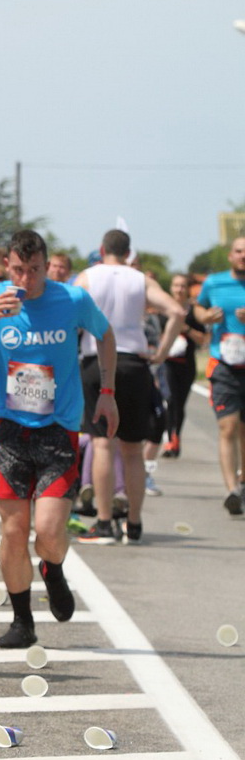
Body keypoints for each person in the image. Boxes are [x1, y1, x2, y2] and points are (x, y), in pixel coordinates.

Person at [0, 229, 118, 648]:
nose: (26, 280)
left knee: (47, 530)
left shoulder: (72, 299)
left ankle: (53, 568)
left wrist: (107, 394)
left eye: (35, 271)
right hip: (8, 430)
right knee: (14, 531)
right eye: (18, 270)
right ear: (7, 266)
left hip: (58, 430)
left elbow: (106, 335)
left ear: (48, 266)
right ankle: (22, 621)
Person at [74, 229, 183, 545]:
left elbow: (69, 313)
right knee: (133, 449)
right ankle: (134, 522)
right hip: (134, 362)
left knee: (102, 443)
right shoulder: (140, 279)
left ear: (101, 249)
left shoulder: (88, 277)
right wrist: (161, 352)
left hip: (96, 360)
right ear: (128, 253)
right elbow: (176, 311)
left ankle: (104, 520)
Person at [193, 236, 245, 515]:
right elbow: (198, 307)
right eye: (239, 251)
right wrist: (204, 317)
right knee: (228, 427)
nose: (243, 256)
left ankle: (243, 481)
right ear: (230, 256)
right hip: (222, 363)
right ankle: (231, 491)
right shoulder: (215, 282)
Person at [162, 273, 205, 458]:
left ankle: (176, 437)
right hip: (167, 363)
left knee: (179, 404)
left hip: (186, 365)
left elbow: (203, 339)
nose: (179, 289)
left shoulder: (195, 311)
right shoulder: (164, 308)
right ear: (171, 288)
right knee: (170, 400)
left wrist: (185, 328)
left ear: (188, 289)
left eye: (182, 286)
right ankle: (169, 439)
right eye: (176, 285)